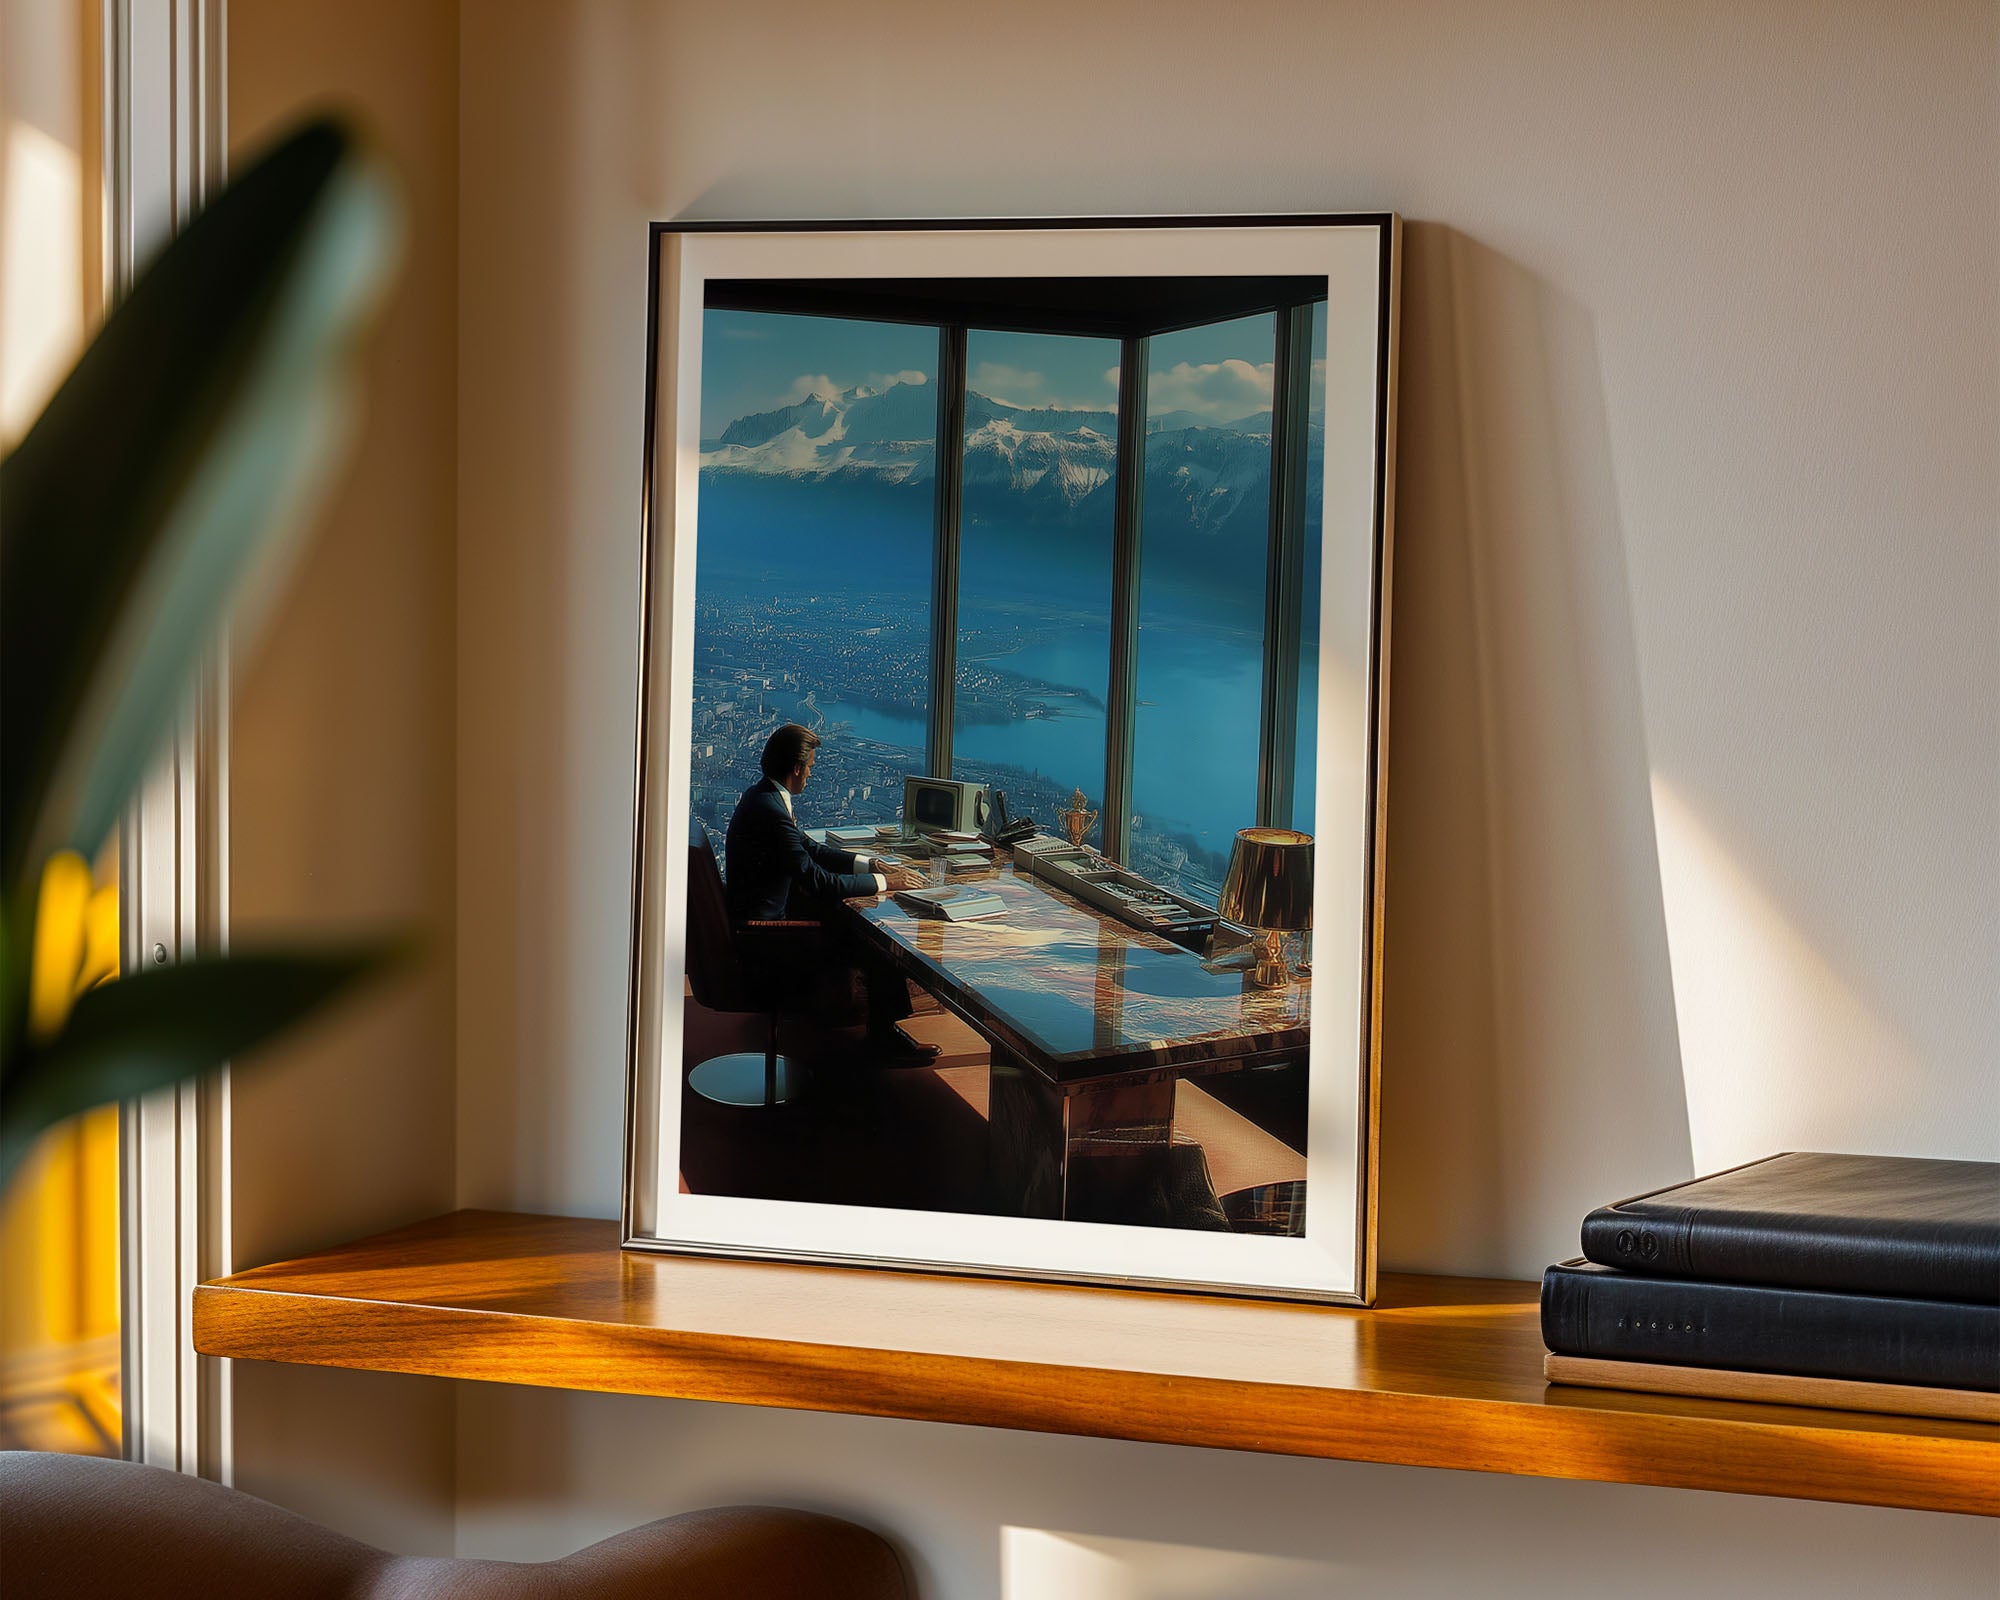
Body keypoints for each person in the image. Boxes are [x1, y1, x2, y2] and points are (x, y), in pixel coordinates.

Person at [724, 724, 940, 1065]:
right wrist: (889, 883)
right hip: (765, 939)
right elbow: (819, 880)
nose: (811, 773)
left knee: (850, 924)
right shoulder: (771, 810)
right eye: (810, 766)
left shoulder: (762, 797)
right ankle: (883, 1039)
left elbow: (809, 849)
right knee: (875, 942)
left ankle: (876, 1029)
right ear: (797, 768)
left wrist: (873, 866)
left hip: (757, 924)